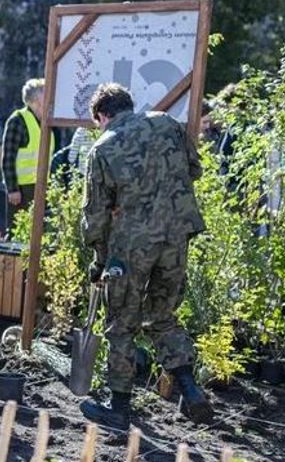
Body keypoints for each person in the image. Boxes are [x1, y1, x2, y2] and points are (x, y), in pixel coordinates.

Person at [79, 83, 213, 427]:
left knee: (122, 323)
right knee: (162, 314)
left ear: (102, 116)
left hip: (132, 246)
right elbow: (194, 170)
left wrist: (99, 259)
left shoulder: (103, 148)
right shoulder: (168, 124)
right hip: (177, 235)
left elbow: (95, 218)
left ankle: (119, 407)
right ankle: (190, 390)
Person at [0, 77, 45, 232]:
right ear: (36, 100)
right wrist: (12, 189)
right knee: (17, 233)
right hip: (22, 190)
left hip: (41, 187)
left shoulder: (46, 123)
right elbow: (8, 157)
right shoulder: (18, 121)